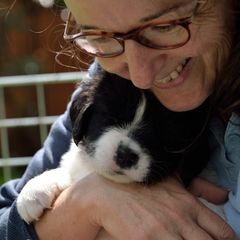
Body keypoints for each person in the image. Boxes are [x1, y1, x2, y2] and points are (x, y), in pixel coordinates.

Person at [0, 0, 240, 239]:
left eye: (164, 26)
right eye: (101, 35)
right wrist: (85, 202)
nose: (140, 76)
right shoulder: (107, 79)